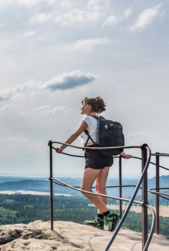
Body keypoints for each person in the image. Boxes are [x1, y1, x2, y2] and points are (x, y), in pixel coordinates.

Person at [56, 96, 132, 231]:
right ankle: (100, 220)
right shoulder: (103, 121)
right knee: (101, 188)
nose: (80, 107)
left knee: (85, 188)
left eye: (82, 105)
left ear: (88, 106)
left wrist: (61, 148)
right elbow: (108, 140)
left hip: (94, 155)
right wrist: (121, 153)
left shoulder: (87, 119)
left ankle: (108, 215)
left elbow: (75, 135)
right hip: (107, 155)